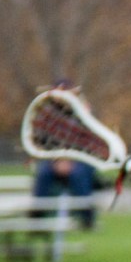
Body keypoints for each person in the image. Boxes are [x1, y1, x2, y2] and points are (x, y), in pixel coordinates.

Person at [30, 82, 99, 229]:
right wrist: (58, 161)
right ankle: (37, 216)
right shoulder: (49, 118)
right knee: (43, 173)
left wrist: (70, 161)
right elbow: (43, 143)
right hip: (54, 162)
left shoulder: (83, 114)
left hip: (80, 161)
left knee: (79, 174)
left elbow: (89, 143)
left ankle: (87, 217)